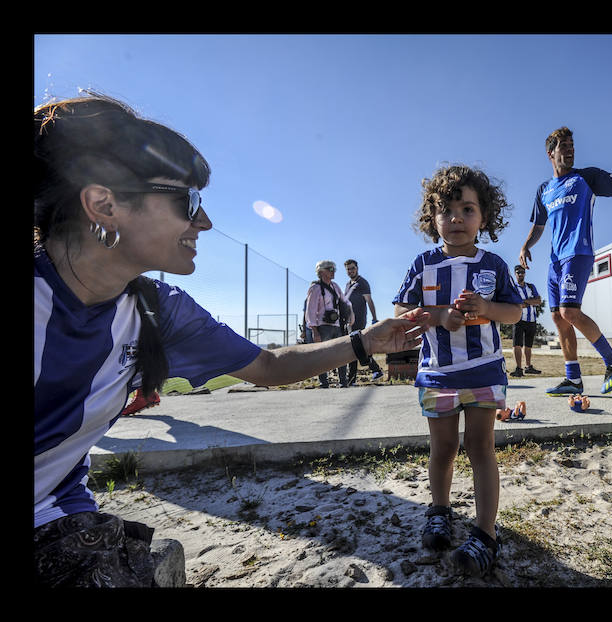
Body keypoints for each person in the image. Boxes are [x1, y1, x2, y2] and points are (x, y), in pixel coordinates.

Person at [33, 94, 426, 587]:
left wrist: (365, 342)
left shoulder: (157, 309)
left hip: (58, 519)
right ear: (104, 205)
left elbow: (267, 365)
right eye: (187, 202)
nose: (205, 222)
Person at [393, 165, 522, 578]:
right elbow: (402, 311)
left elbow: (515, 311)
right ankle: (439, 511)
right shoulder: (423, 263)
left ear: (484, 216)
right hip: (437, 375)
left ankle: (486, 534)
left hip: (483, 372)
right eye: (446, 211)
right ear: (432, 219)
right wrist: (438, 316)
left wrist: (486, 310)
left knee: (480, 448)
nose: (457, 219)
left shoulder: (495, 265)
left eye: (467, 209)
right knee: (443, 449)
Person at [519, 118, 612, 396]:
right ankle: (572, 379)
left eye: (573, 145)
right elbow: (538, 225)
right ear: (550, 152)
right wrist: (526, 246)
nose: (570, 150)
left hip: (578, 253)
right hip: (555, 261)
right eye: (564, 146)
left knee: (569, 311)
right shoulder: (544, 190)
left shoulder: (585, 177)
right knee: (558, 319)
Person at [305, 260, 354, 388]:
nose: (333, 272)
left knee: (341, 354)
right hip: (323, 327)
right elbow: (310, 311)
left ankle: (343, 382)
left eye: (334, 269)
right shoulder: (315, 288)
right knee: (323, 355)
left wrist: (351, 313)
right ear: (321, 272)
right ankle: (324, 382)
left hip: (337, 326)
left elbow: (346, 301)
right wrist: (315, 331)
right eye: (330, 269)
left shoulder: (335, 286)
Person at [343, 259, 384, 385]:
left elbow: (369, 301)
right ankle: (352, 379)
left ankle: (375, 369)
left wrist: (374, 318)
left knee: (356, 347)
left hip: (359, 320)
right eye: (348, 269)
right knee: (354, 349)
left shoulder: (362, 283)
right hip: (348, 322)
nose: (351, 271)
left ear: (357, 268)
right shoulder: (348, 284)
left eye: (352, 268)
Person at [509, 264, 543, 377]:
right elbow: (516, 304)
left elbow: (538, 301)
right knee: (517, 345)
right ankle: (519, 368)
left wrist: (525, 302)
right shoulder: (513, 288)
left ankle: (528, 367)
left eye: (522, 272)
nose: (520, 274)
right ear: (515, 274)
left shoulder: (531, 287)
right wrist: (530, 301)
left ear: (525, 273)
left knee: (528, 345)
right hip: (518, 319)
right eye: (518, 272)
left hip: (532, 319)